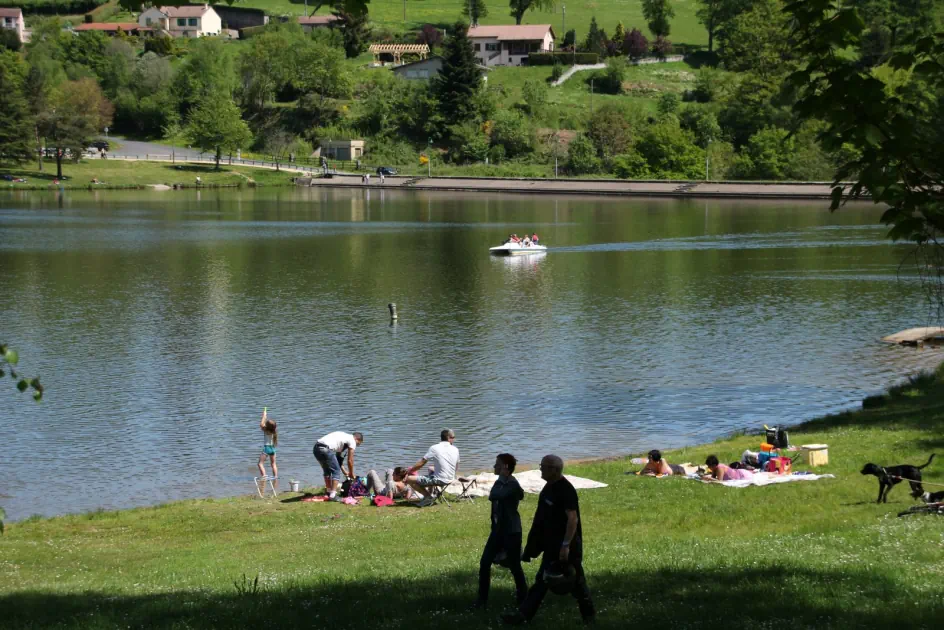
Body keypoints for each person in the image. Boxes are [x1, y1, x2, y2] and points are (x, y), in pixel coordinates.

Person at [502, 455, 594, 626]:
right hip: (551, 545)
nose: (540, 469)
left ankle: (589, 617)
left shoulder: (566, 490)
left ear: (555, 469)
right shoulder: (549, 486)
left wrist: (566, 545)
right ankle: (523, 615)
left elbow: (573, 519)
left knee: (577, 582)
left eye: (543, 466)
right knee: (542, 581)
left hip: (566, 546)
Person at [471, 453, 528, 610]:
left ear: (505, 467)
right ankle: (481, 601)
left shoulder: (511, 483)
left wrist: (503, 479)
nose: (494, 466)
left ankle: (524, 599)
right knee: (484, 563)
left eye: (497, 464)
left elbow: (495, 495)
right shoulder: (501, 481)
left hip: (511, 531)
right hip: (497, 531)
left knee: (515, 566)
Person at [405, 429, 460, 507]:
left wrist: (409, 471)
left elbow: (421, 463)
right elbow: (456, 467)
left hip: (440, 480)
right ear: (448, 438)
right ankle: (430, 493)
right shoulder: (456, 449)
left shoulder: (434, 448)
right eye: (453, 437)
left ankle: (428, 496)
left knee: (408, 479)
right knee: (431, 469)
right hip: (451, 478)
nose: (454, 439)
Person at [313, 431, 364, 501]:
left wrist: (346, 472)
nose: (356, 445)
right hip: (325, 449)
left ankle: (328, 492)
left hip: (316, 448)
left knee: (327, 470)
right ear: (357, 439)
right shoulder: (352, 440)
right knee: (336, 471)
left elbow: (338, 460)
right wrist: (351, 474)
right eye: (358, 444)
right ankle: (333, 495)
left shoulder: (343, 438)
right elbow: (350, 460)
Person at [257, 409, 278, 483]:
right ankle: (275, 478)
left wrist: (264, 415)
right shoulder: (274, 431)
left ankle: (264, 476)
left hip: (267, 448)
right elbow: (265, 424)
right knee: (273, 464)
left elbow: (261, 424)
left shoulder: (266, 430)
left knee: (260, 463)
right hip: (273, 449)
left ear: (267, 426)